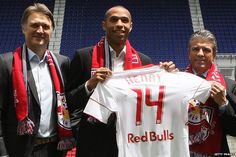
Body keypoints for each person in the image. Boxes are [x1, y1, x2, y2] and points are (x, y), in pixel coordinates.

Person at [66, 5, 175, 157]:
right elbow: (68, 102)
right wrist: (89, 85)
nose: (119, 24)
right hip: (92, 142)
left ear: (131, 26)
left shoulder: (144, 62)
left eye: (124, 20)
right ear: (104, 24)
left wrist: (167, 75)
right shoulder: (84, 57)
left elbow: (153, 101)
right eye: (114, 20)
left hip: (131, 140)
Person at [0, 3, 74, 157]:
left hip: (55, 150)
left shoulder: (63, 62)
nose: (40, 30)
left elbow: (70, 102)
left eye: (45, 26)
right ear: (23, 28)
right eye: (34, 25)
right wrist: (3, 153)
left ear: (52, 30)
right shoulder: (6, 63)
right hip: (19, 150)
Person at [185, 29, 234, 156]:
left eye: (206, 50)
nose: (201, 54)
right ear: (188, 53)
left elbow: (235, 130)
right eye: (196, 49)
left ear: (214, 55)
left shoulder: (229, 86)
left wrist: (223, 104)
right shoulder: (176, 83)